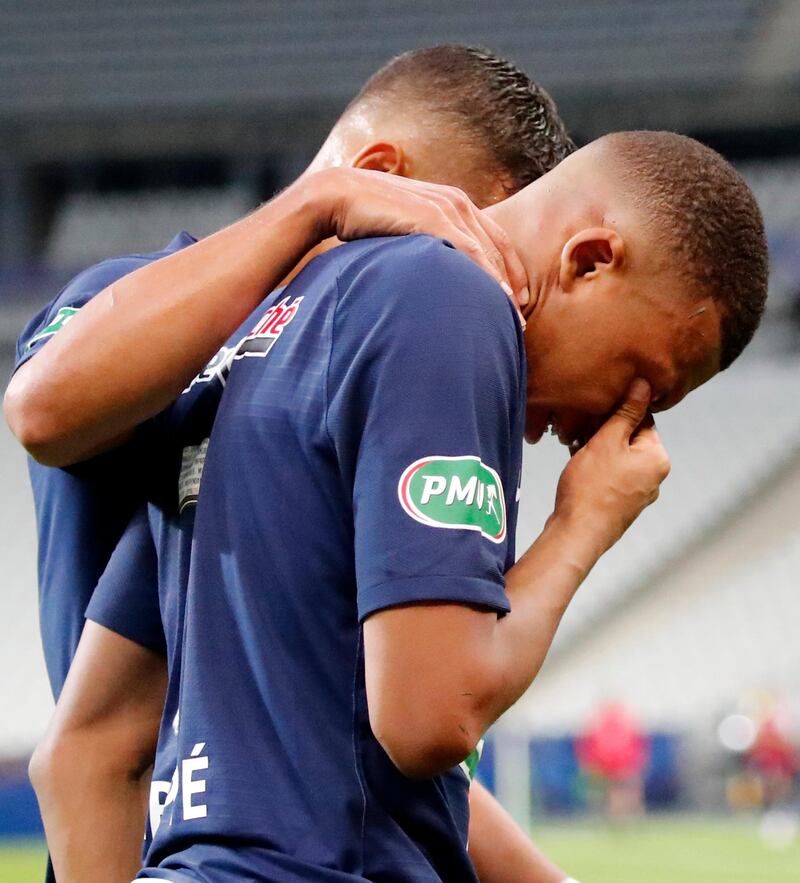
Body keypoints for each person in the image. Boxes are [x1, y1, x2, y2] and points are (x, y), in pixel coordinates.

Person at [121, 131, 765, 880]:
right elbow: (430, 720)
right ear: (589, 260)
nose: (623, 418)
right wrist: (583, 524)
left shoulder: (287, 308)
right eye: (646, 380)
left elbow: (89, 736)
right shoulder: (454, 303)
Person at [9, 46, 576, 883]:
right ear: (380, 173)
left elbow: (337, 740)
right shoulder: (124, 298)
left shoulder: (350, 377)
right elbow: (45, 408)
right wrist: (320, 204)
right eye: (455, 242)